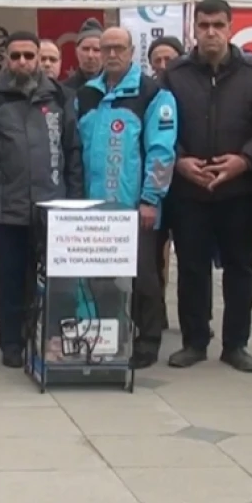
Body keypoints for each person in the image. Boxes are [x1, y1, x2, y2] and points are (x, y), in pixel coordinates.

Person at [161, 0, 252, 373]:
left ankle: (236, 344)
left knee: (239, 267)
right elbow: (160, 125)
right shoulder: (174, 74)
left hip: (238, 190)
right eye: (204, 24)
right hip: (189, 189)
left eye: (218, 24)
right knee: (192, 268)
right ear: (193, 28)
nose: (211, 31)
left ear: (231, 27)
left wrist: (244, 160)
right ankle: (195, 341)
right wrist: (179, 160)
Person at [0, 30, 83, 368]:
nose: (23, 62)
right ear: (7, 59)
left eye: (29, 56)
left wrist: (75, 203)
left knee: (55, 280)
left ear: (39, 58)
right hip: (8, 207)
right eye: (16, 56)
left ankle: (49, 338)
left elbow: (72, 152)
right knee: (10, 277)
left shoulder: (60, 97)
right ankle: (12, 342)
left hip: (53, 208)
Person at [76, 26, 178, 369]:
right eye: (106, 49)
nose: (111, 55)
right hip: (93, 209)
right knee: (100, 279)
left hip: (135, 208)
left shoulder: (152, 94)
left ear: (132, 51)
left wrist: (151, 198)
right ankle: (106, 336)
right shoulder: (86, 94)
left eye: (119, 48)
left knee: (144, 278)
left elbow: (162, 153)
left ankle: (147, 342)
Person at [60, 20, 105, 93]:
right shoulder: (63, 90)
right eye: (85, 49)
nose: (90, 55)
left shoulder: (114, 88)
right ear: (76, 51)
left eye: (96, 50)